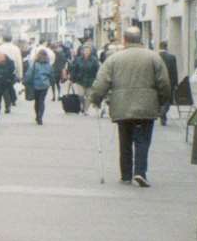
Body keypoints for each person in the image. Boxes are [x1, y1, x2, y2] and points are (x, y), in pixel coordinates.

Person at [87, 26, 173, 188]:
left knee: (125, 140)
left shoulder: (114, 59)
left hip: (122, 106)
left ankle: (126, 174)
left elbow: (102, 82)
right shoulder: (153, 58)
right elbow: (164, 82)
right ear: (141, 39)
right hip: (146, 106)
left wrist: (96, 99)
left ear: (124, 40)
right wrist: (163, 101)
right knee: (142, 141)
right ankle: (140, 172)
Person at [24, 47, 55, 125]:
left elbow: (29, 74)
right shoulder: (49, 65)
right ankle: (40, 116)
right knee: (42, 101)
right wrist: (51, 83)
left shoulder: (34, 64)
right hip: (45, 85)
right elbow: (51, 75)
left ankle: (37, 115)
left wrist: (25, 81)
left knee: (37, 101)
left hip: (35, 85)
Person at [67, 43, 100, 112]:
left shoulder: (94, 60)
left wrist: (98, 79)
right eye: (85, 50)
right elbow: (74, 69)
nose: (86, 52)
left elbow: (98, 70)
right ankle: (82, 105)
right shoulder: (78, 59)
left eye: (88, 50)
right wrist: (71, 79)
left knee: (89, 96)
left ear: (90, 51)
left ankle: (85, 109)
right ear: (82, 51)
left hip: (90, 80)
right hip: (80, 80)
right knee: (81, 95)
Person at [0, 34, 23, 113]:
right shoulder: (16, 48)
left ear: (3, 39)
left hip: (0, 69)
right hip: (12, 70)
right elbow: (19, 61)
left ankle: (6, 104)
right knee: (10, 86)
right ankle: (11, 102)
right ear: (11, 39)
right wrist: (20, 74)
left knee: (3, 88)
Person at [156, 42, 180, 127]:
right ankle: (163, 114)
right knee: (168, 100)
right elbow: (174, 71)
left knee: (159, 99)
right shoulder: (172, 57)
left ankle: (161, 114)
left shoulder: (155, 57)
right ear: (166, 47)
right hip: (169, 83)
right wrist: (176, 83)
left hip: (157, 82)